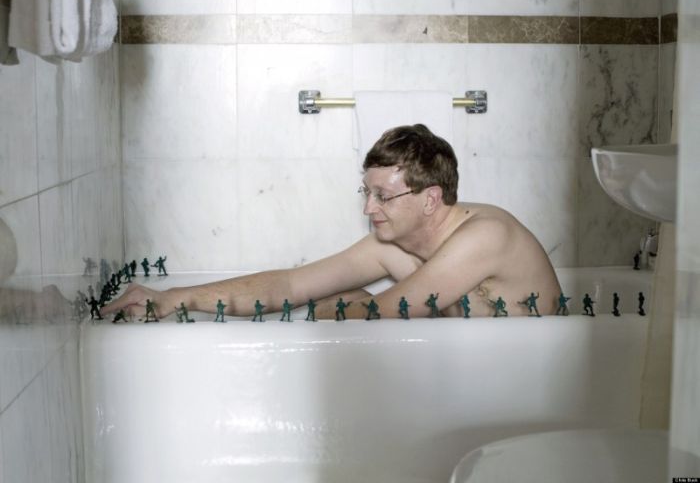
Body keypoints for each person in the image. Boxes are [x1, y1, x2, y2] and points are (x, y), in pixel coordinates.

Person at [103, 124, 562, 320]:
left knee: (344, 306)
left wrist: (330, 309)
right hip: (473, 383)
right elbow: (290, 284)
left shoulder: (485, 236)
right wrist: (173, 298)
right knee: (339, 300)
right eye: (367, 192)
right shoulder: (394, 243)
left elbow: (381, 313)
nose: (369, 209)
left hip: (532, 390)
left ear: (431, 199)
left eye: (383, 196)